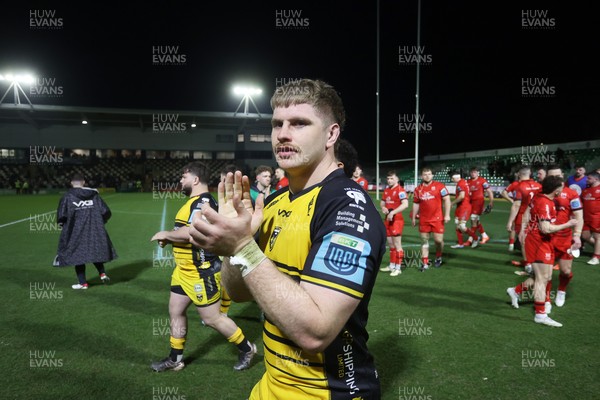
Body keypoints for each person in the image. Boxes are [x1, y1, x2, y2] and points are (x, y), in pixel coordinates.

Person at [189, 79, 386, 399]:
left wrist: (243, 247)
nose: (282, 133)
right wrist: (232, 242)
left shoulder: (346, 206)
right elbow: (237, 292)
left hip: (325, 392)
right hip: (271, 386)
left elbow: (314, 332)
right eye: (277, 124)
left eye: (299, 123)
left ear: (331, 134)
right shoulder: (276, 202)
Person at [149, 161, 256, 372]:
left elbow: (192, 232)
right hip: (183, 271)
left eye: (183, 176)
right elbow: (185, 232)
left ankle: (246, 348)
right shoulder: (195, 201)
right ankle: (175, 358)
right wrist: (171, 239)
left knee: (213, 318)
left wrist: (167, 234)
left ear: (195, 179)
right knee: (175, 311)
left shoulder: (203, 202)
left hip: (201, 271)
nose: (181, 180)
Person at [506, 175, 578, 327]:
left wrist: (523, 229)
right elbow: (545, 228)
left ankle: (516, 291)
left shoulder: (539, 195)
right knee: (542, 278)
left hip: (540, 241)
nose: (563, 189)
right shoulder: (546, 203)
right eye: (561, 187)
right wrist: (568, 224)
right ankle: (540, 314)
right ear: (556, 189)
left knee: (545, 276)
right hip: (539, 242)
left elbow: (526, 212)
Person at [54, 173, 117, 289]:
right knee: (94, 252)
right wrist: (100, 221)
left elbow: (62, 215)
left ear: (71, 183)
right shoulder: (94, 196)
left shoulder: (67, 197)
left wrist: (62, 225)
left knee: (78, 255)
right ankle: (102, 273)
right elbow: (106, 211)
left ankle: (83, 283)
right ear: (83, 182)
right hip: (94, 229)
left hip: (75, 232)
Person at [546, 165, 583, 307]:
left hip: (564, 238)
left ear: (562, 175)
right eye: (551, 177)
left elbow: (579, 216)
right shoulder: (541, 192)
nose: (555, 179)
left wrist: (577, 235)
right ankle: (545, 300)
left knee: (566, 271)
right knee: (545, 273)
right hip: (546, 238)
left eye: (557, 176)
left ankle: (561, 290)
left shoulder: (571, 194)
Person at [412, 167, 451, 270]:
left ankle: (438, 256)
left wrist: (447, 214)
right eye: (425, 174)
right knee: (424, 241)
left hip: (437, 218)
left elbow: (447, 200)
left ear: (432, 175)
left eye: (429, 174)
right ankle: (424, 263)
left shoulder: (440, 186)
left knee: (438, 240)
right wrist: (413, 217)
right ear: (422, 176)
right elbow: (416, 203)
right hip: (424, 219)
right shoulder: (418, 189)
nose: (427, 176)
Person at [506, 166, 542, 268]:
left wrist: (510, 221)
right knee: (535, 240)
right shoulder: (538, 186)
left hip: (523, 217)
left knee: (523, 241)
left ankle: (528, 266)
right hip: (537, 217)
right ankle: (537, 262)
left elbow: (517, 205)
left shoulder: (520, 186)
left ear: (519, 174)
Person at [380, 170, 409, 276]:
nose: (389, 180)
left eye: (392, 178)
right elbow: (382, 203)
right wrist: (383, 208)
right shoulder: (387, 190)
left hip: (397, 221)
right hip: (387, 220)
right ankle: (392, 265)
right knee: (391, 244)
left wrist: (393, 212)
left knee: (397, 245)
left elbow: (405, 204)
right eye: (388, 178)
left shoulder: (400, 190)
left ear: (397, 179)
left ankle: (398, 268)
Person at [466, 166, 494, 246]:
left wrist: (491, 202)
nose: (473, 173)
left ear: (478, 173)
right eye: (472, 172)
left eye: (475, 172)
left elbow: (489, 191)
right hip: (471, 203)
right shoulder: (468, 181)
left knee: (473, 220)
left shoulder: (482, 181)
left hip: (479, 203)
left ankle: (470, 239)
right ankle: (484, 236)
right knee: (475, 221)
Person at [449, 171, 476, 249]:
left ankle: (476, 238)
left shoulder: (460, 184)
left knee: (461, 226)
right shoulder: (464, 181)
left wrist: (452, 203)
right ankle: (460, 244)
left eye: (453, 178)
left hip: (464, 207)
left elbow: (462, 196)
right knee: (458, 226)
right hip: (461, 207)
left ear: (456, 177)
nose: (452, 180)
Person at [581, 171, 600, 265]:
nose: (587, 180)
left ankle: (596, 257)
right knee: (585, 236)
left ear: (596, 179)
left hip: (597, 217)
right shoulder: (585, 190)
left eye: (589, 178)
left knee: (597, 237)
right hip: (586, 218)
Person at [502, 173, 520, 251]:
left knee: (514, 225)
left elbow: (503, 193)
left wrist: (511, 200)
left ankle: (512, 244)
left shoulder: (515, 184)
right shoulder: (517, 184)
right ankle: (514, 244)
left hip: (518, 206)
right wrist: (511, 200)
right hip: (524, 207)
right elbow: (503, 193)